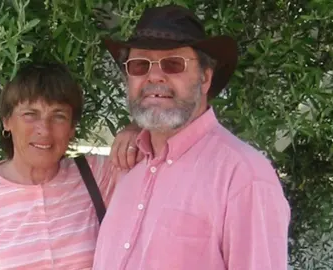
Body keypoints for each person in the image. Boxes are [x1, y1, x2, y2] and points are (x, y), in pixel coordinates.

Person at [93, 4, 291, 270]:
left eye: (173, 64)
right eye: (140, 65)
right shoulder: (129, 168)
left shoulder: (244, 177)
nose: (154, 76)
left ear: (205, 78)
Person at [0, 62, 142, 269]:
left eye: (58, 116)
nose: (44, 129)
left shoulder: (96, 175)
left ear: (72, 128)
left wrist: (137, 128)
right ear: (6, 121)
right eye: (30, 114)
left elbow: (164, 156)